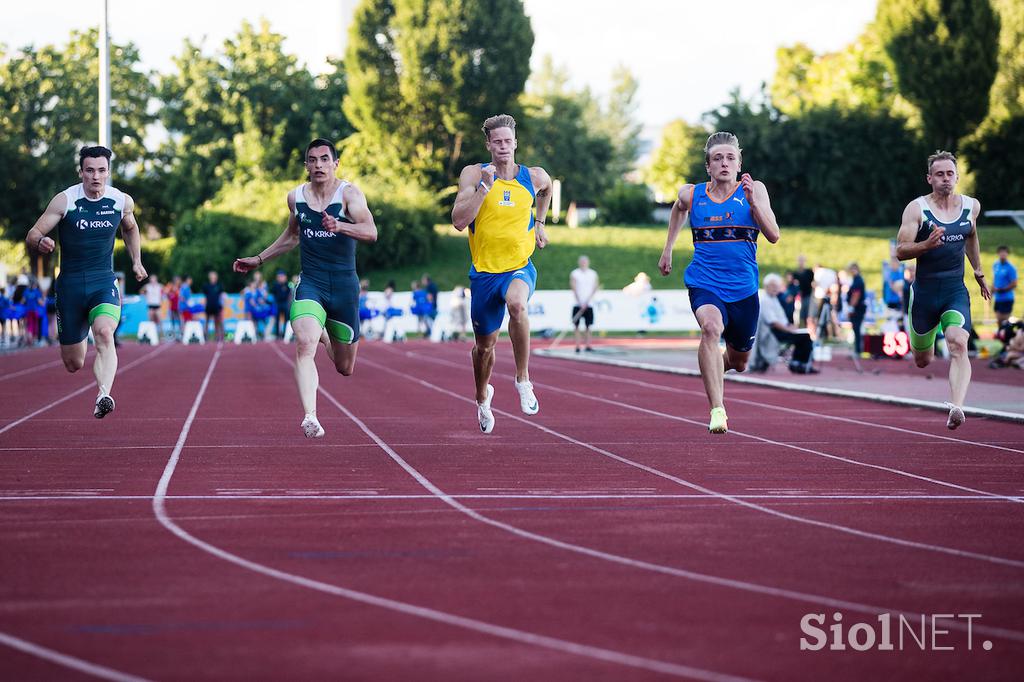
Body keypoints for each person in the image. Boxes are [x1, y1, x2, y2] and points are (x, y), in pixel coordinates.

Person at [234, 138, 377, 438]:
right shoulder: (296, 198)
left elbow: (371, 232)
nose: (318, 165)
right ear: (306, 165)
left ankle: (326, 334)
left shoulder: (349, 194)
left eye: (325, 159)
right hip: (311, 282)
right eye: (312, 160)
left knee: (344, 366)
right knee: (304, 344)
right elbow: (291, 236)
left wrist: (341, 226)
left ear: (336, 163)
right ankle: (310, 415)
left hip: (344, 286)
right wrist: (259, 260)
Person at [658, 131, 780, 433]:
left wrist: (754, 204)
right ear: (708, 167)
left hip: (743, 289)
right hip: (705, 280)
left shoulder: (754, 190)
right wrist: (668, 248)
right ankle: (717, 409)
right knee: (710, 329)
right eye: (717, 158)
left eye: (730, 158)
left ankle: (710, 365)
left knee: (739, 362)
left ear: (739, 164)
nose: (724, 163)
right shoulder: (693, 194)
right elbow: (678, 208)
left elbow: (774, 235)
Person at [24, 145, 147, 418]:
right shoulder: (65, 201)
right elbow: (33, 232)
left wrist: (136, 261)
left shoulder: (120, 201)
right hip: (69, 287)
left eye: (101, 170)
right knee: (73, 363)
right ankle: (83, 360)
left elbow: (130, 227)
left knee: (105, 333)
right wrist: (41, 240)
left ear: (108, 172)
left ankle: (104, 394)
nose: (95, 176)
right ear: (81, 172)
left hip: (103, 281)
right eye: (90, 170)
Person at [451, 113, 551, 433]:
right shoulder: (473, 174)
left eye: (508, 141)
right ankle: (483, 397)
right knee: (484, 349)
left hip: (519, 266)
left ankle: (523, 379)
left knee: (518, 305)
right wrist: (484, 188)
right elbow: (458, 220)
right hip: (484, 274)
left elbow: (547, 189)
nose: (504, 147)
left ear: (516, 143)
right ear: (489, 145)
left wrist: (540, 223)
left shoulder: (532, 177)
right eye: (498, 142)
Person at [896, 150, 991, 430]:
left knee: (958, 342)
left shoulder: (971, 206)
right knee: (923, 361)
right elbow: (901, 251)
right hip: (925, 294)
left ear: (957, 176)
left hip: (954, 290)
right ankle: (926, 345)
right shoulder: (917, 209)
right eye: (939, 174)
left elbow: (971, 235)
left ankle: (957, 407)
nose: (946, 179)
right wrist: (926, 245)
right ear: (929, 178)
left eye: (950, 174)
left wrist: (978, 269)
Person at [754, 273, 816, 373]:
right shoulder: (765, 300)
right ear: (766, 286)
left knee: (804, 336)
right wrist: (788, 329)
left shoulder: (773, 298)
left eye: (776, 286)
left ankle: (798, 362)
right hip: (774, 332)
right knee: (804, 337)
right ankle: (799, 364)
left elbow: (780, 319)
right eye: (772, 286)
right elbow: (773, 322)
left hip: (780, 328)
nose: (775, 289)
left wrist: (790, 326)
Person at [569, 254, 599, 352]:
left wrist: (587, 301)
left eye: (585, 262)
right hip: (577, 304)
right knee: (576, 325)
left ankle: (588, 345)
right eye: (582, 262)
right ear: (579, 263)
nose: (583, 263)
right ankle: (577, 346)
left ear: (588, 262)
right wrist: (580, 302)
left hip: (589, 304)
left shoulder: (593, 273)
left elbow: (595, 287)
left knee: (588, 325)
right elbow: (573, 287)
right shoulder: (575, 273)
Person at [846, 262, 867, 356]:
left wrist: (851, 308)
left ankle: (858, 350)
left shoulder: (858, 280)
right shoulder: (856, 279)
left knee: (857, 329)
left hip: (857, 308)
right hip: (857, 307)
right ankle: (857, 349)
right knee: (856, 329)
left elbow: (856, 295)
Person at [992, 246, 1017, 327]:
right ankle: (1002, 337)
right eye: (1001, 252)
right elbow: (995, 280)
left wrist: (1001, 289)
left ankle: (1007, 337)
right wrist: (991, 292)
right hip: (998, 298)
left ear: (1007, 254)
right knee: (998, 320)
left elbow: (1014, 283)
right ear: (998, 253)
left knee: (1005, 320)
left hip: (1007, 298)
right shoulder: (996, 265)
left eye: (1004, 252)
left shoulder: (1011, 268)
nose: (1003, 254)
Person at [201, 270, 225, 342]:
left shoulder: (219, 285)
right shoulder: (206, 286)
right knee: (207, 321)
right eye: (212, 276)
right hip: (208, 306)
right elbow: (204, 297)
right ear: (210, 277)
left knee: (217, 322)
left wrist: (222, 304)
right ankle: (205, 337)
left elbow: (221, 296)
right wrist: (204, 305)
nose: (214, 278)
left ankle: (217, 337)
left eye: (215, 276)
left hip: (216, 306)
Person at [793, 255, 815, 329]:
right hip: (799, 297)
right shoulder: (795, 273)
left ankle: (807, 329)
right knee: (799, 314)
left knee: (807, 314)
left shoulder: (809, 272)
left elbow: (812, 283)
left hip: (808, 295)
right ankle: (800, 328)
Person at [270, 269, 293, 339]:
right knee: (277, 319)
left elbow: (289, 294)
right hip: (278, 303)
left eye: (282, 276)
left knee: (286, 319)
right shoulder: (275, 285)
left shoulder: (287, 284)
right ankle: (277, 334)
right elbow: (273, 293)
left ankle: (284, 334)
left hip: (285, 303)